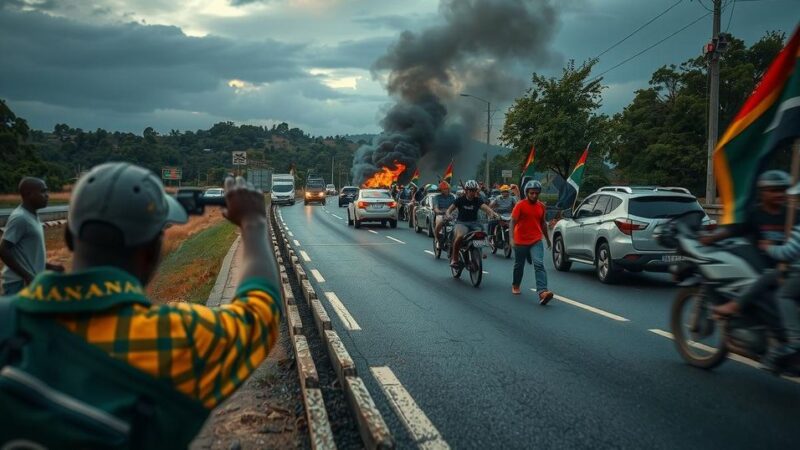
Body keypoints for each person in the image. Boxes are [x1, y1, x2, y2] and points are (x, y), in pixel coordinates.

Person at [0, 163, 281, 446]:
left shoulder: (7, 319)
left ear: (70, 238)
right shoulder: (178, 338)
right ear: (152, 250)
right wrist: (254, 223)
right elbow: (261, 312)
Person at [707, 170, 790, 316]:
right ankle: (735, 306)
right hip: (758, 266)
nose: (779, 194)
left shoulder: (792, 215)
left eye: (782, 190)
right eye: (774, 190)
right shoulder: (754, 214)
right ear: (763, 192)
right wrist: (709, 238)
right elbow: (734, 230)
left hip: (787, 267)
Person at [0, 177, 64, 295]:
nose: (47, 195)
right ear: (28, 194)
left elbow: (27, 256)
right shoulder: (20, 218)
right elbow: (3, 249)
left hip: (28, 281)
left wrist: (49, 266)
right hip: (18, 284)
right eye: (42, 191)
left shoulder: (32, 216)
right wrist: (28, 276)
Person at [509, 180, 554, 304]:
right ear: (527, 193)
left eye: (536, 193)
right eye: (532, 193)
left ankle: (542, 292)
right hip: (520, 241)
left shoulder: (541, 206)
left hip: (536, 240)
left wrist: (548, 239)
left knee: (539, 264)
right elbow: (512, 222)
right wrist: (511, 238)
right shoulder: (520, 205)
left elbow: (543, 223)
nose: (534, 195)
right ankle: (516, 284)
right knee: (519, 265)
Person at [445, 180, 499, 268]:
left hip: (474, 223)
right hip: (461, 223)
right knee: (460, 236)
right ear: (466, 190)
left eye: (474, 190)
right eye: (470, 190)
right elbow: (449, 210)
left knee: (482, 234)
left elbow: (487, 209)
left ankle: (479, 252)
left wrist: (493, 214)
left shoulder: (478, 200)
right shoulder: (460, 200)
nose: (472, 192)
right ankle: (454, 259)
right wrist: (448, 215)